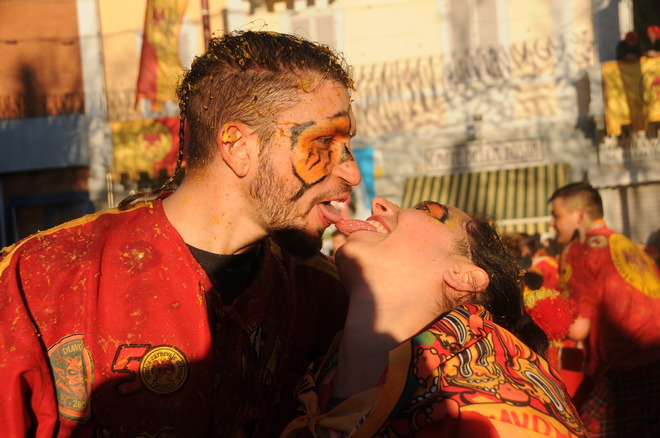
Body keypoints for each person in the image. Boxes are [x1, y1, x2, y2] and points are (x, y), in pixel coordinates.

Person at [0, 30, 362, 437]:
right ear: (237, 147)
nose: (352, 172)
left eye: (347, 145)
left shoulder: (324, 296)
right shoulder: (41, 282)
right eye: (324, 142)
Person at [281, 197, 587, 437]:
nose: (379, 203)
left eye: (426, 210)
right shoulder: (300, 378)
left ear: (464, 276)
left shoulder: (499, 420)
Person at [549, 181, 660, 437]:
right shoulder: (627, 244)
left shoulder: (579, 249)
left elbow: (577, 328)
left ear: (579, 216)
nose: (551, 223)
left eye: (556, 216)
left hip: (627, 370)